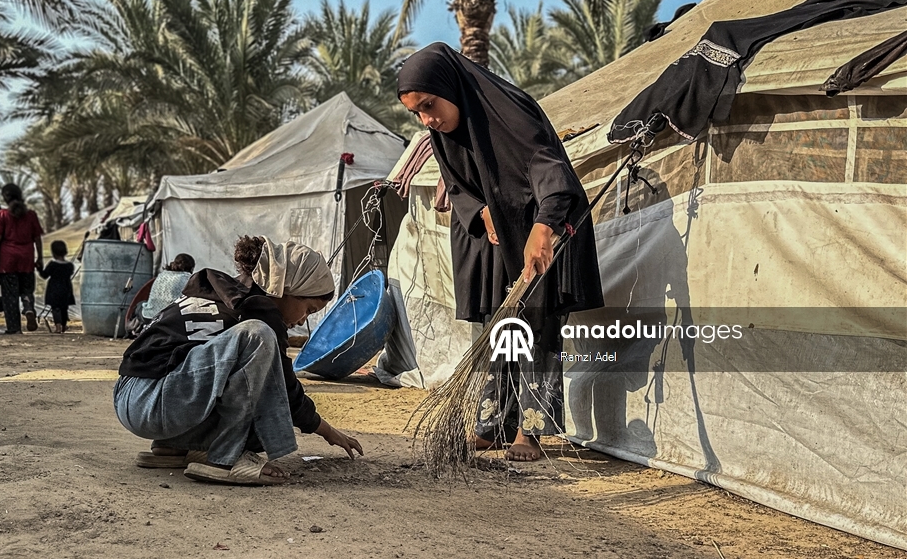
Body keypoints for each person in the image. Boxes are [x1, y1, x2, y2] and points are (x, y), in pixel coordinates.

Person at [397, 43, 604, 462]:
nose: (427, 119)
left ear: (451, 87)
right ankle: (492, 426)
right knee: (498, 325)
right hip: (492, 234)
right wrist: (481, 212)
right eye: (417, 113)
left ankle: (530, 431)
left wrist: (542, 228)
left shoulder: (511, 113)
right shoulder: (441, 134)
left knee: (536, 324)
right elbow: (456, 186)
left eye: (430, 105)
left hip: (540, 224)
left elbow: (551, 171)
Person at [114, 235, 363, 485]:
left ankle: (174, 446)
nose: (302, 321)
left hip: (132, 396)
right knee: (258, 338)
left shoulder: (224, 290)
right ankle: (224, 460)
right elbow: (286, 392)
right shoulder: (260, 311)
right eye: (308, 310)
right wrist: (328, 432)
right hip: (151, 400)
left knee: (261, 411)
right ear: (286, 288)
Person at [0, 183, 44, 334]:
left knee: (10, 295)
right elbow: (37, 238)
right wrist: (40, 258)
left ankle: (14, 328)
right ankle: (28, 309)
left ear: (5, 198)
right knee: (27, 289)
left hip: (8, 259)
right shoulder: (31, 215)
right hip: (27, 258)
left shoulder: (2, 214)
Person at [39, 240, 75, 334]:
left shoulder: (52, 265)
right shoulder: (69, 266)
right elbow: (70, 274)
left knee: (56, 308)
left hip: (54, 290)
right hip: (66, 289)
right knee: (64, 308)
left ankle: (58, 326)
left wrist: (39, 268)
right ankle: (63, 326)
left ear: (53, 253)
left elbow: (44, 275)